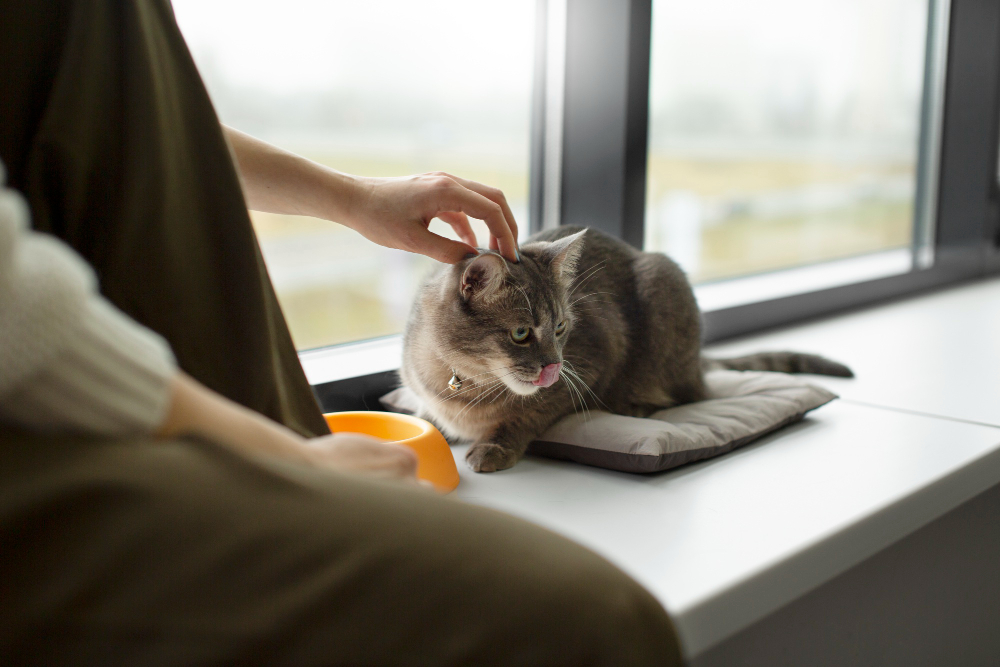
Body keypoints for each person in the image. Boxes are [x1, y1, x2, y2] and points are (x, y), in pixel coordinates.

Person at [0, 0, 683, 664]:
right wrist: (288, 460)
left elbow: (147, 126)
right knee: (601, 625)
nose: (548, 357)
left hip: (146, 404)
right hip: (70, 421)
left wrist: (353, 199)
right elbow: (23, 308)